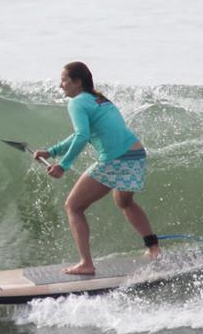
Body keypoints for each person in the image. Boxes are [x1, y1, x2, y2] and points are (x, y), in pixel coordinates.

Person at [34, 62, 159, 275]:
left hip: (115, 159)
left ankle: (86, 263)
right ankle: (154, 249)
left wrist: (63, 166)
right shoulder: (98, 100)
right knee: (124, 201)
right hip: (136, 153)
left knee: (73, 206)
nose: (60, 85)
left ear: (77, 82)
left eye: (64, 80)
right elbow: (80, 134)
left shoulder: (76, 103)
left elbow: (82, 136)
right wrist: (52, 151)